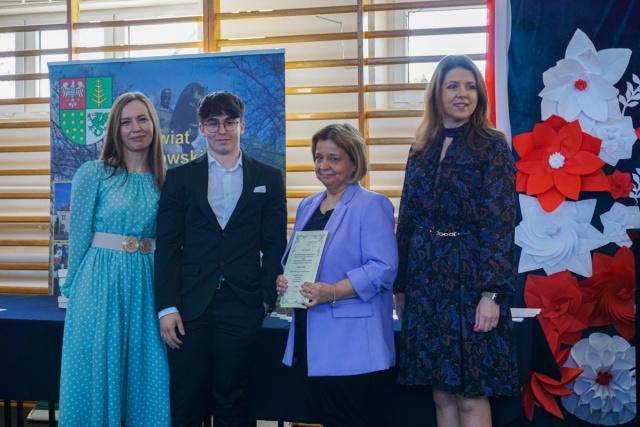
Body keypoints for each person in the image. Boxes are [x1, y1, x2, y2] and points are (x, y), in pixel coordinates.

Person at [393, 55, 519, 427]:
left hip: (472, 279)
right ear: (437, 93)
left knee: (470, 393)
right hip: (426, 279)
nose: (463, 94)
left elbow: (500, 224)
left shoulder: (492, 146)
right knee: (441, 391)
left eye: (470, 86)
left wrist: (492, 293)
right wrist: (400, 286)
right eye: (453, 86)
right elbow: (407, 220)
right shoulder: (420, 148)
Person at [154, 90, 288, 427]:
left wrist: (265, 298)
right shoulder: (180, 178)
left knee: (233, 402)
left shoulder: (269, 177)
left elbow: (274, 244)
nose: (222, 130)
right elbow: (168, 247)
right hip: (189, 306)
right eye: (213, 123)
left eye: (230, 122)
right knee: (187, 402)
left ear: (242, 126)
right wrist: (166, 307)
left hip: (243, 304)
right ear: (201, 128)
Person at [58, 91, 169, 427]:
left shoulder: (167, 180)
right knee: (98, 372)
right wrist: (74, 289)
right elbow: (78, 236)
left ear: (154, 124)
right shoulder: (94, 173)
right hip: (99, 286)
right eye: (126, 122)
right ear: (115, 130)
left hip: (148, 287)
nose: (136, 128)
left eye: (142, 119)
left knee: (147, 373)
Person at [276, 123, 398, 427]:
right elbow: (297, 259)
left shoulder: (372, 205)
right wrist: (285, 279)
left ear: (354, 163)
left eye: (334, 158)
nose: (323, 166)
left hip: (350, 341)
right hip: (309, 334)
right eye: (319, 157)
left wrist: (332, 291)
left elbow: (383, 268)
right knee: (323, 417)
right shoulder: (308, 205)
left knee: (347, 419)